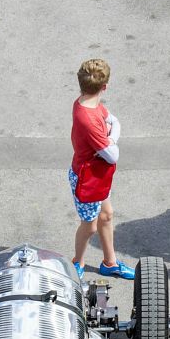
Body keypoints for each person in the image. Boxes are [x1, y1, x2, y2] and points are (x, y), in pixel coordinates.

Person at [68, 58, 131, 279]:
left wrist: (110, 137)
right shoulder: (89, 118)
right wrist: (112, 138)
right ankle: (77, 262)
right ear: (105, 86)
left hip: (97, 177)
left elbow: (114, 121)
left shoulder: (89, 104)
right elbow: (113, 155)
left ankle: (110, 263)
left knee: (106, 215)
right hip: (87, 180)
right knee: (90, 226)